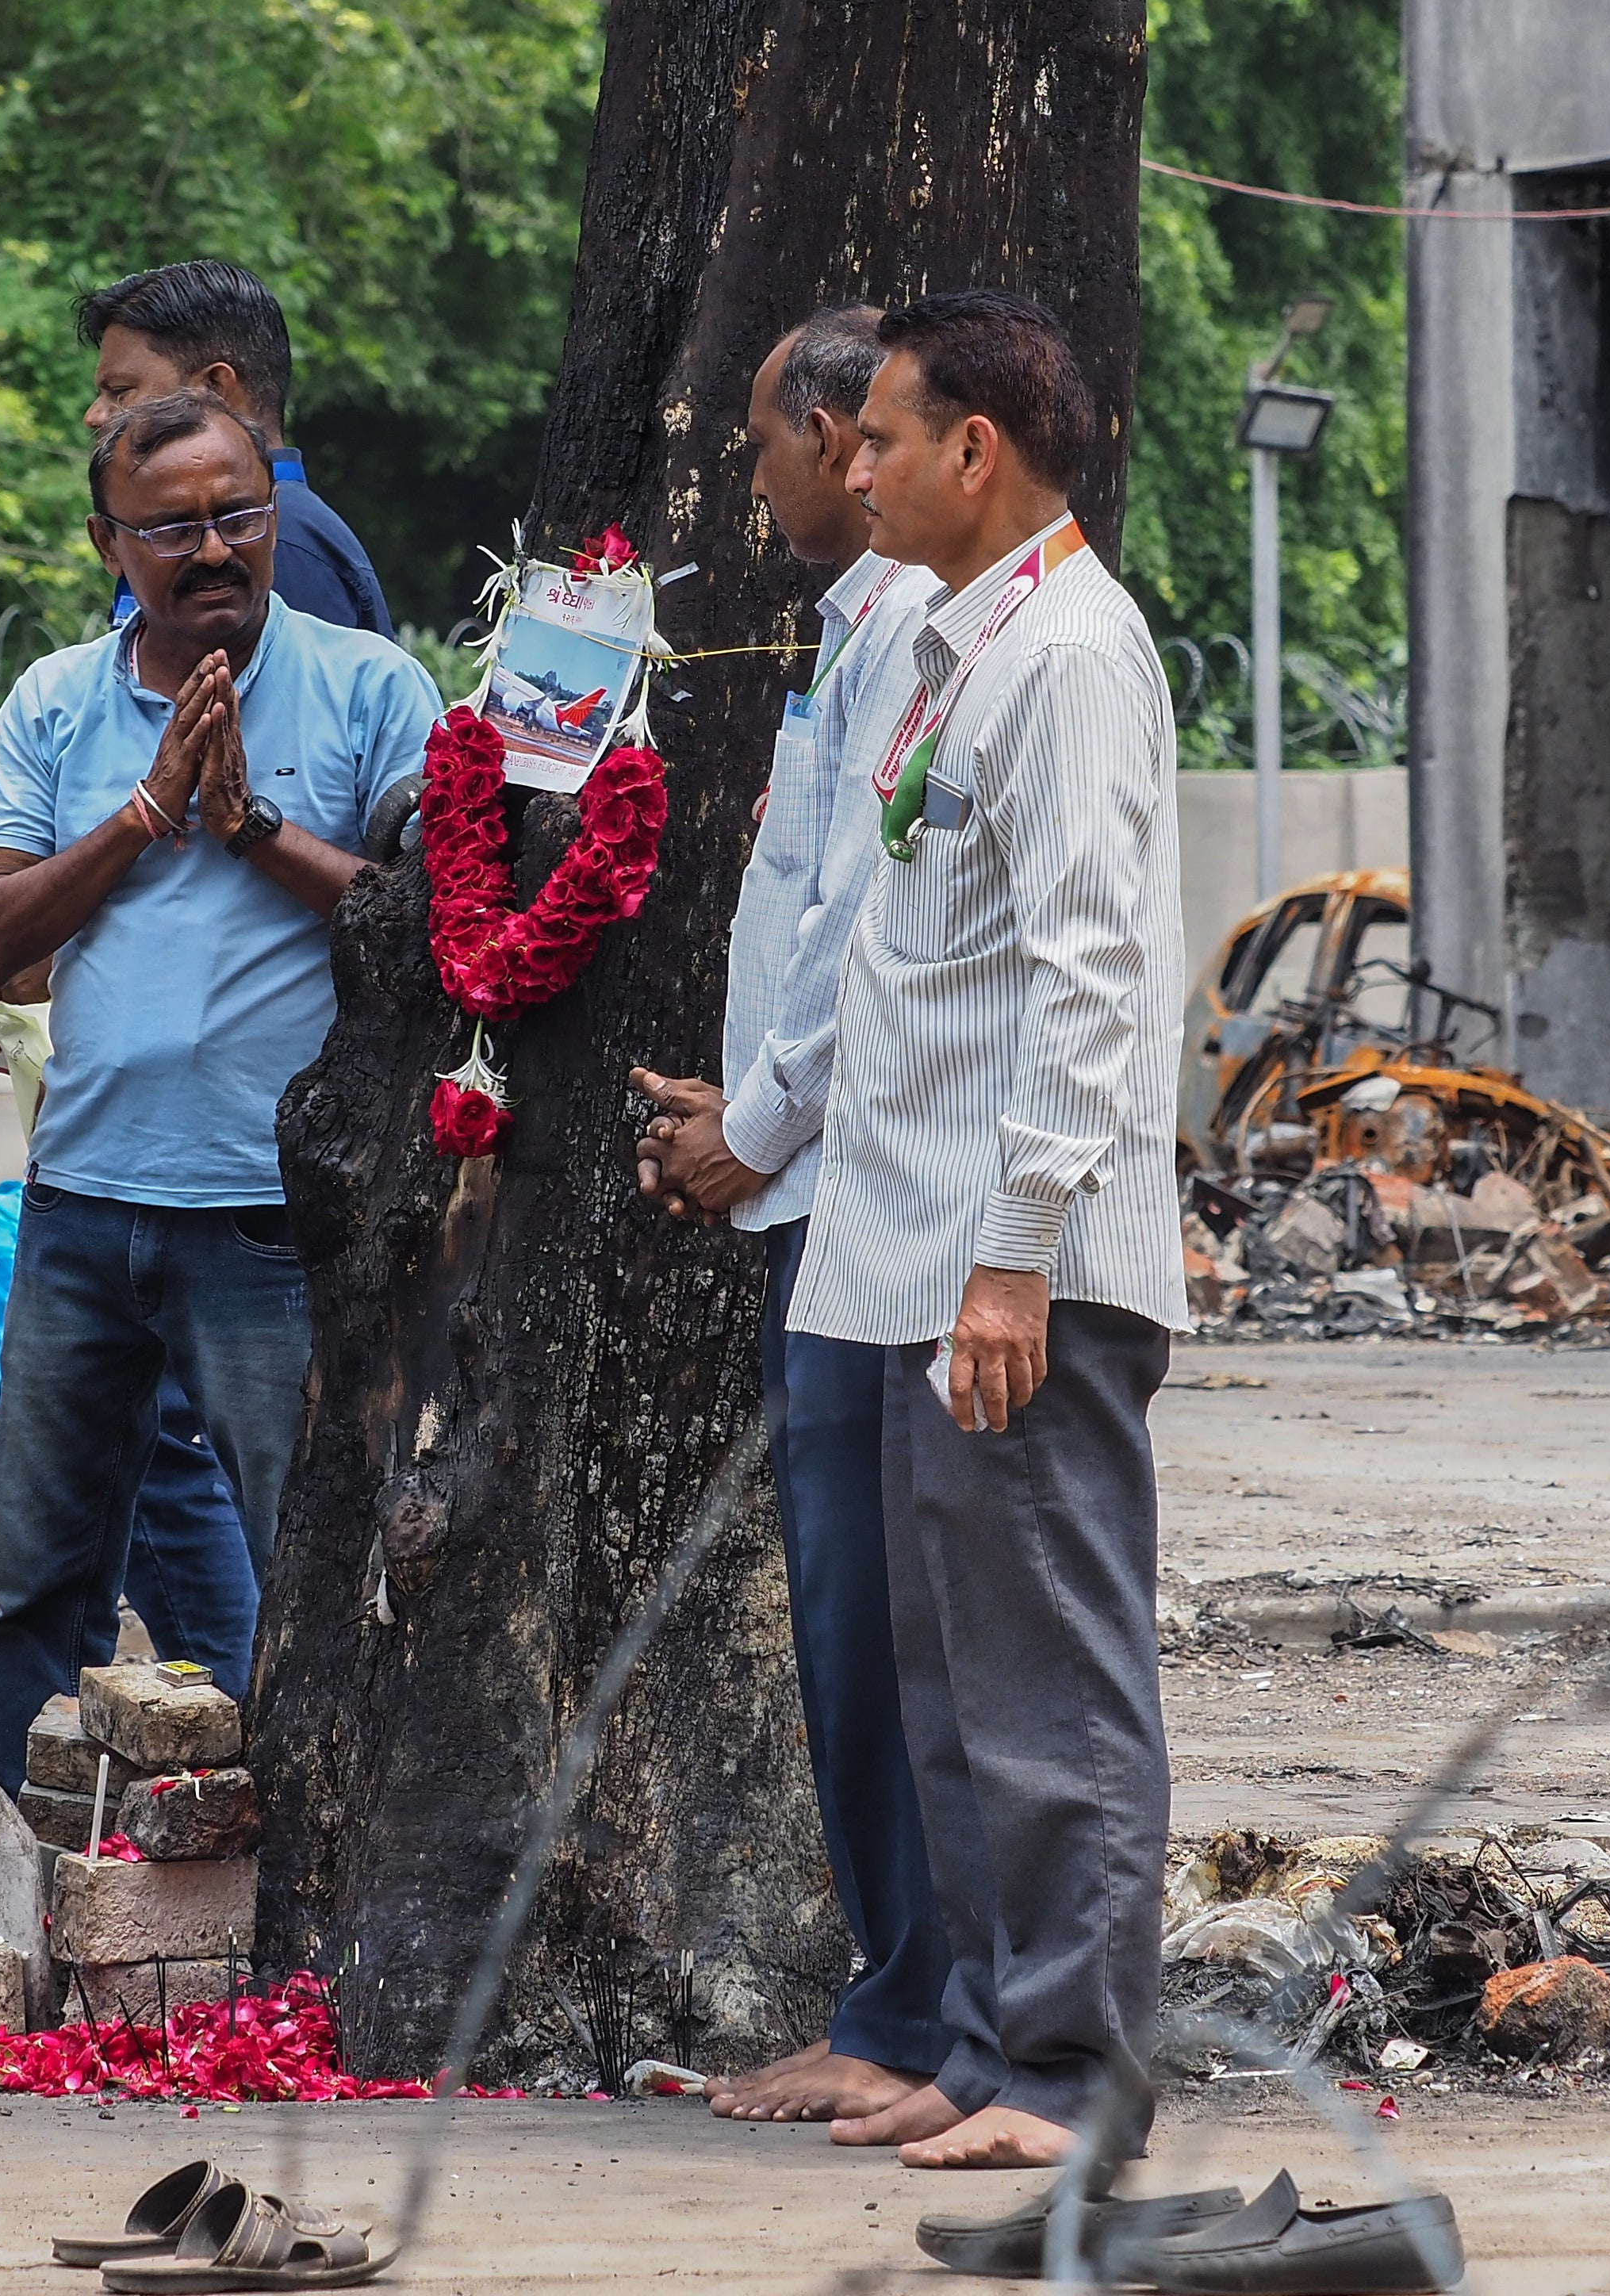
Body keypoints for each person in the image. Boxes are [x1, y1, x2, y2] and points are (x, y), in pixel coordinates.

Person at [790, 289, 1187, 2169]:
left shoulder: (1070, 653)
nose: (848, 468)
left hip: (1013, 1258)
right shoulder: (953, 644)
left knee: (1044, 1675)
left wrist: (1016, 1241)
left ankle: (1077, 2073)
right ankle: (980, 2039)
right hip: (917, 1246)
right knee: (946, 1680)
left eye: (875, 437)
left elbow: (1087, 969)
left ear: (975, 451)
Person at [0, 391, 439, 1774]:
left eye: (238, 515)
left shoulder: (367, 689)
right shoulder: (56, 701)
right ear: (109, 543)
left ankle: (301, 1904)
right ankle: (31, 1883)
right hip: (80, 1206)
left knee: (306, 1571)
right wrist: (147, 813)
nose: (214, 548)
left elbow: (422, 930)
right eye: (174, 527)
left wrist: (249, 825)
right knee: (38, 1583)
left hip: (271, 1221)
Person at [625, 306, 949, 2127]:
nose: (745, 481)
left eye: (764, 444)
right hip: (809, 1182)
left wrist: (751, 1126)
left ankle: (919, 2013)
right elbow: (809, 921)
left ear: (844, 438)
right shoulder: (853, 631)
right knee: (846, 1616)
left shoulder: (910, 627)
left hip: (860, 1199)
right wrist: (740, 1111)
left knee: (879, 1618)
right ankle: (894, 2000)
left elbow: (870, 936)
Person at [74, 259, 399, 1695]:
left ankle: (250, 1712)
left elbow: (364, 877)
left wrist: (232, 823)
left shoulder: (289, 562)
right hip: (132, 1142)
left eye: (120, 387)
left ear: (214, 399)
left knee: (216, 1474)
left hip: (244, 1155)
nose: (93, 411)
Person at [81, 259, 392, 636]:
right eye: (176, 531)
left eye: (121, 392)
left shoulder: (276, 547)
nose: (95, 415)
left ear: (214, 389)